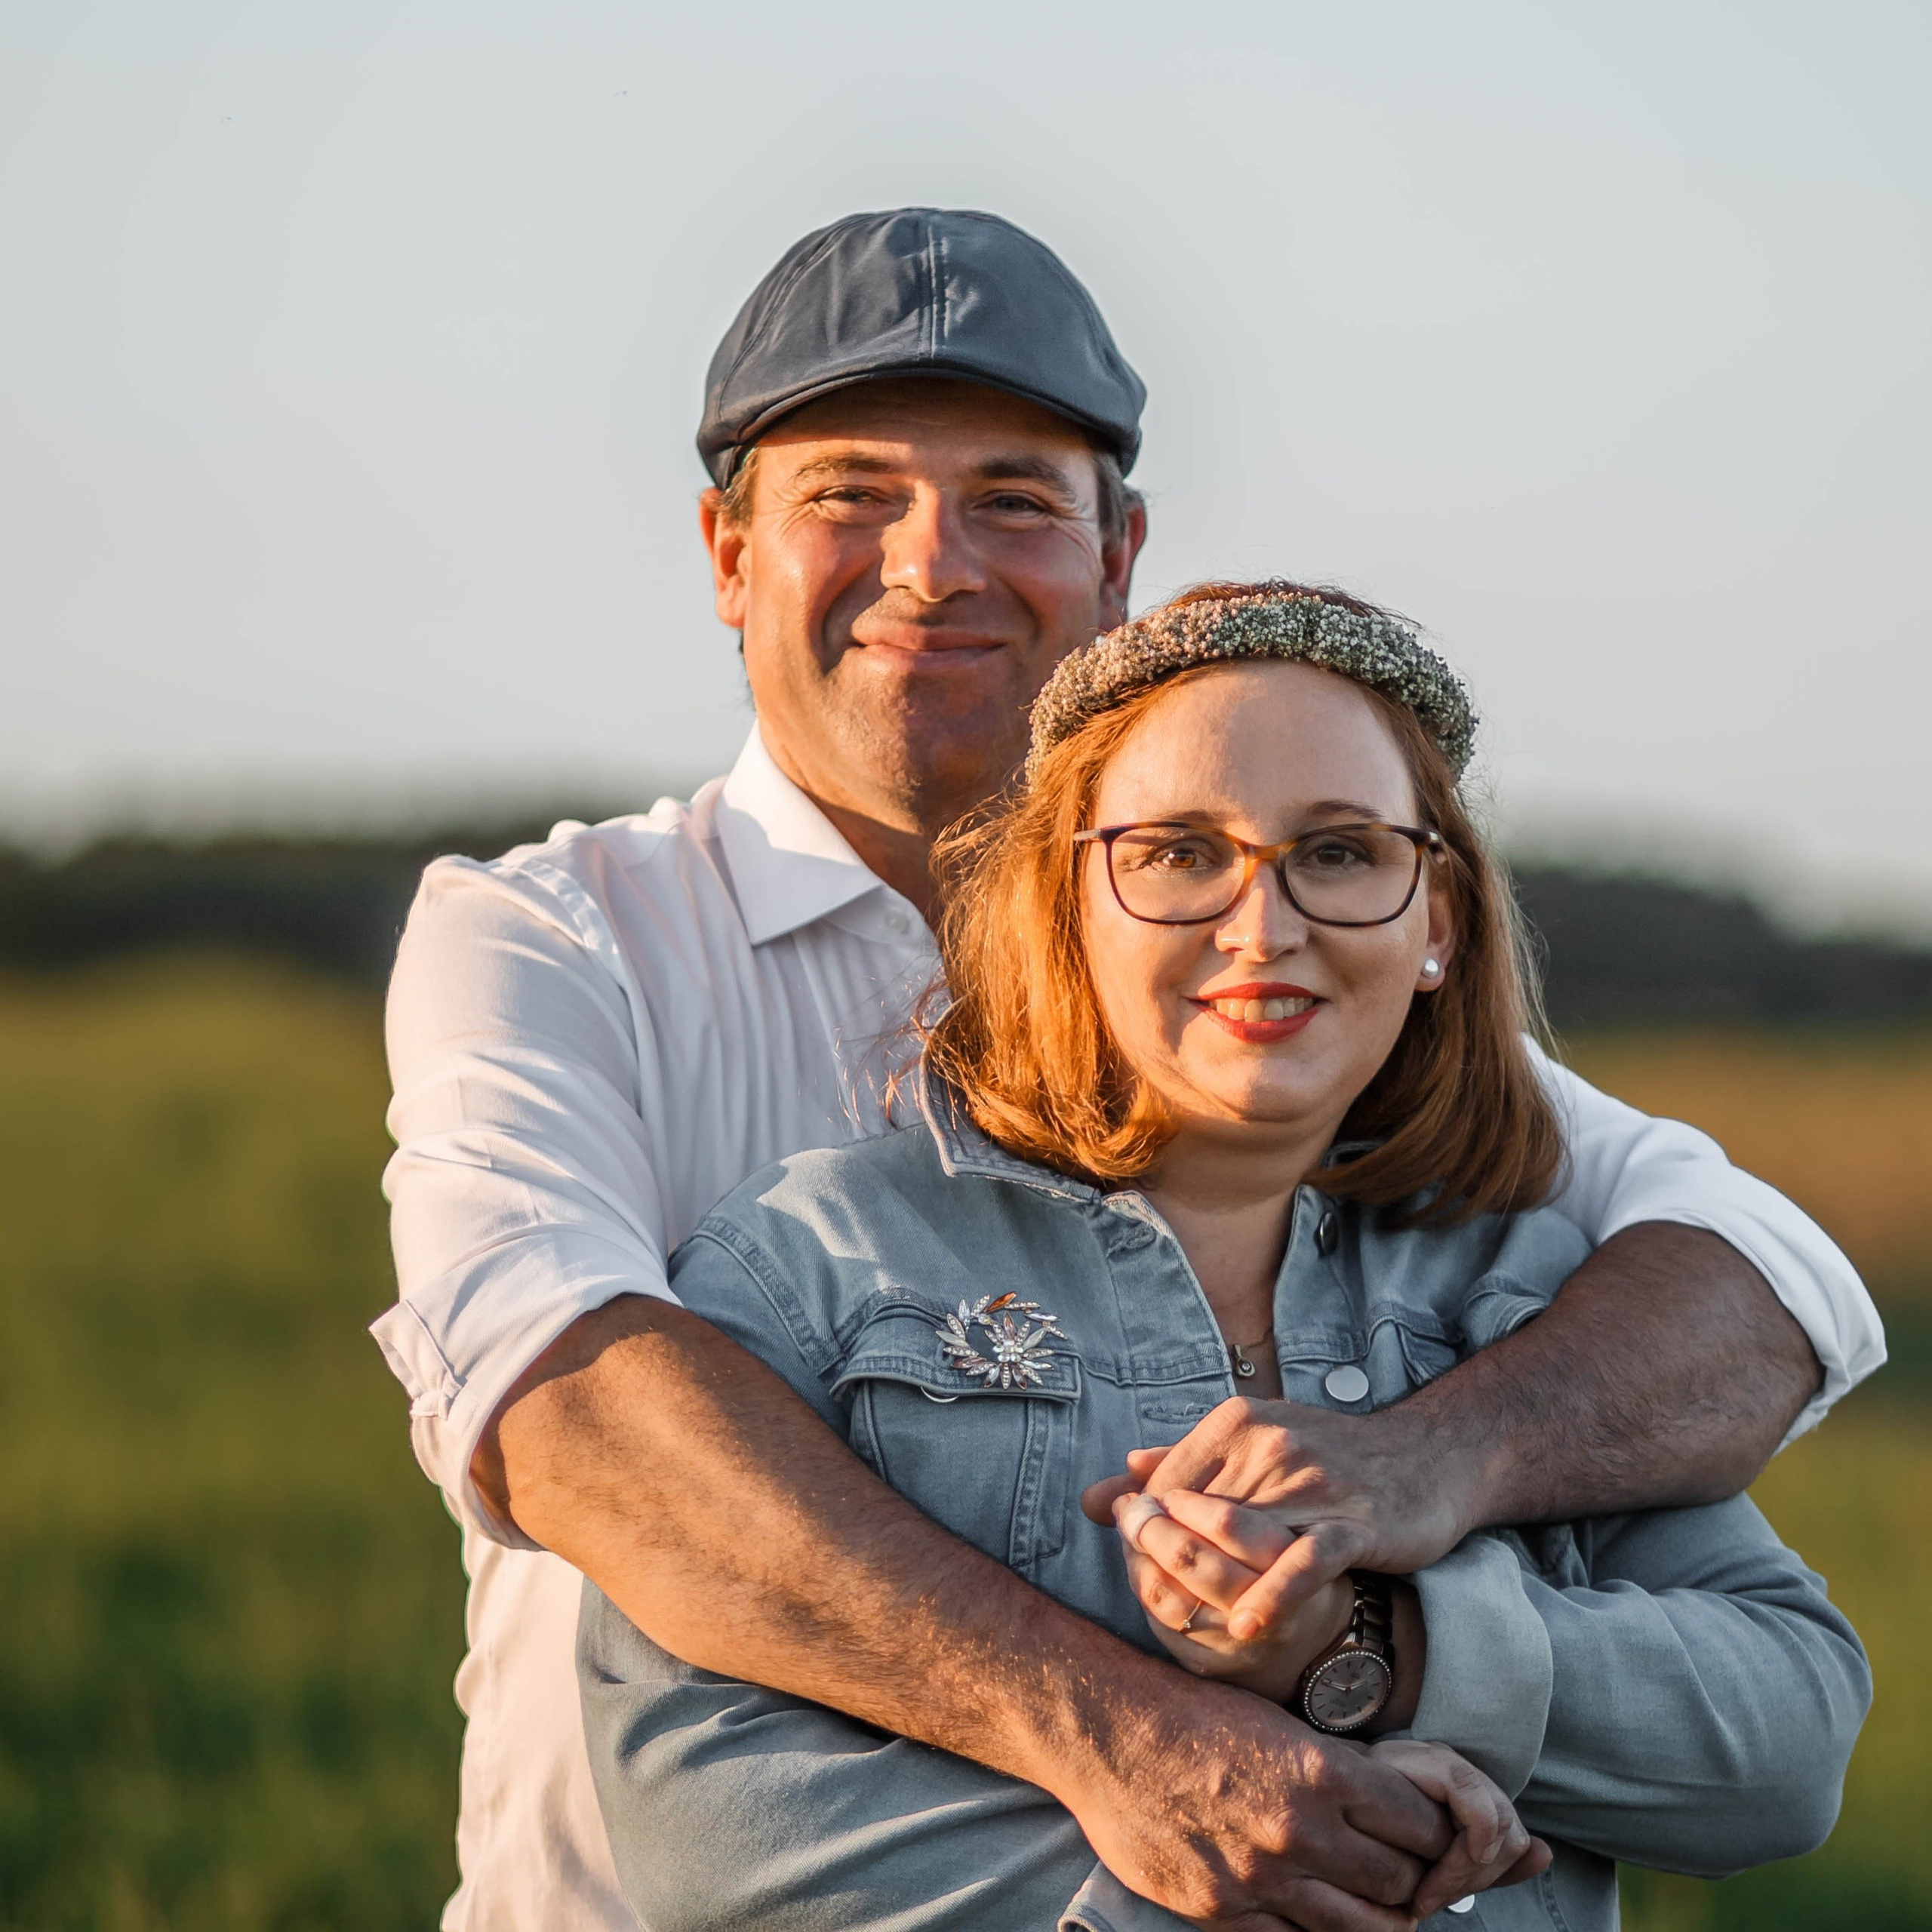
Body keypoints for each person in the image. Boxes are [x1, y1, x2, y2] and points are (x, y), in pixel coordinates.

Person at [372, 209, 1885, 1930]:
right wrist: (1154, 1762)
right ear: (728, 553)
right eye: (849, 493)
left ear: (1119, 558)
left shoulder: (1342, 1059)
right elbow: (562, 1405)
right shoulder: (559, 942)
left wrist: (1409, 1509)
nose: (931, 564)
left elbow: (1761, 1280)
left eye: (1013, 497)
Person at [577, 582, 1870, 1932]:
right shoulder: (818, 1262)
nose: (1263, 928)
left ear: (1437, 923)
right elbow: (702, 1806)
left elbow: (1788, 1743)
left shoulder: (1527, 1291)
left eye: (1341, 852)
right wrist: (1284, 1852)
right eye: (1181, 852)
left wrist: (1376, 1652)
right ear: (1070, 904)